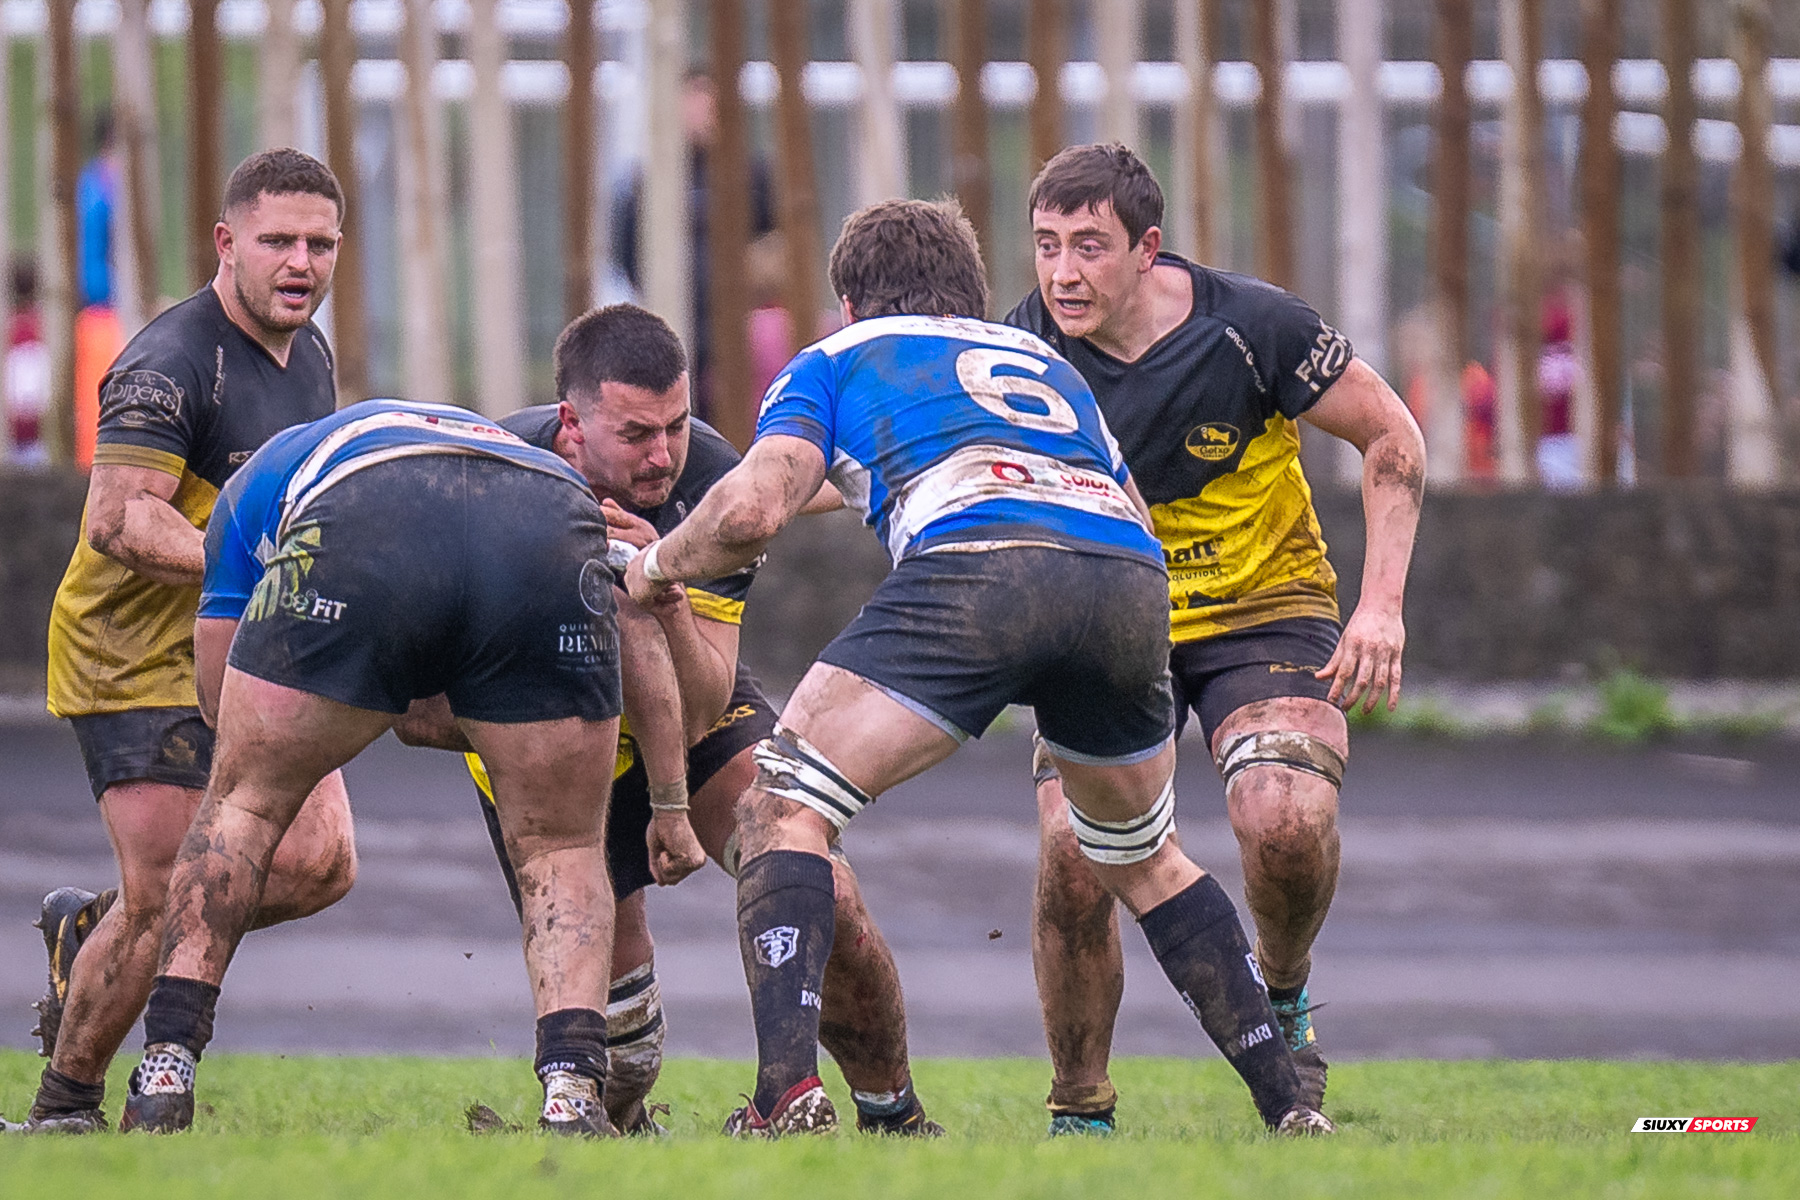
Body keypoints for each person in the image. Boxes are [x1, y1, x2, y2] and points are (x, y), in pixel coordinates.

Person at [624, 198, 1333, 1138]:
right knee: (1142, 855)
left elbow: (752, 510)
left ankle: (785, 1095)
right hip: (1128, 580)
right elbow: (1130, 507)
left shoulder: (836, 358)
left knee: (779, 808)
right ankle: (1290, 1106)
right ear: (970, 295)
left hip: (980, 565)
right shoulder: (1046, 363)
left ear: (850, 304)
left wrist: (653, 566)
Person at [1006, 143, 1425, 1132]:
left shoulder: (1254, 327)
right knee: (1072, 851)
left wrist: (1381, 606)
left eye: (1090, 246)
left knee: (1282, 820)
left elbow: (1393, 437)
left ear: (1148, 248)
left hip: (1263, 603)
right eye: (1047, 245)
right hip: (1113, 621)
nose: (1064, 273)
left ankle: (1282, 990)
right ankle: (1080, 1112)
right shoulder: (1020, 351)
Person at [443, 303, 938, 1136]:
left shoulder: (711, 477)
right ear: (572, 424)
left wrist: (662, 581)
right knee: (624, 1058)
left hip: (691, 697)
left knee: (818, 883)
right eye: (637, 434)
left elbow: (706, 700)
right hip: (546, 723)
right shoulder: (495, 476)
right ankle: (619, 1120)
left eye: (674, 425)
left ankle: (892, 1115)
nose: (662, 455)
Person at [107, 398, 625, 1135]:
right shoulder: (483, 440)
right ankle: (572, 1095)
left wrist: (350, 701)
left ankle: (166, 1071)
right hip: (550, 517)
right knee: (562, 846)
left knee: (242, 806)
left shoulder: (245, 497)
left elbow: (221, 701)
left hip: (372, 506)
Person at [25, 150, 353, 1132]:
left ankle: (95, 935)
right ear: (226, 243)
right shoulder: (169, 362)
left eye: (320, 244)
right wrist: (248, 572)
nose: (300, 262)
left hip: (246, 645)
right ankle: (66, 1108)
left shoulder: (312, 356)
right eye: (277, 240)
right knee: (170, 886)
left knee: (321, 862)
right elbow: (118, 519)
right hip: (129, 655)